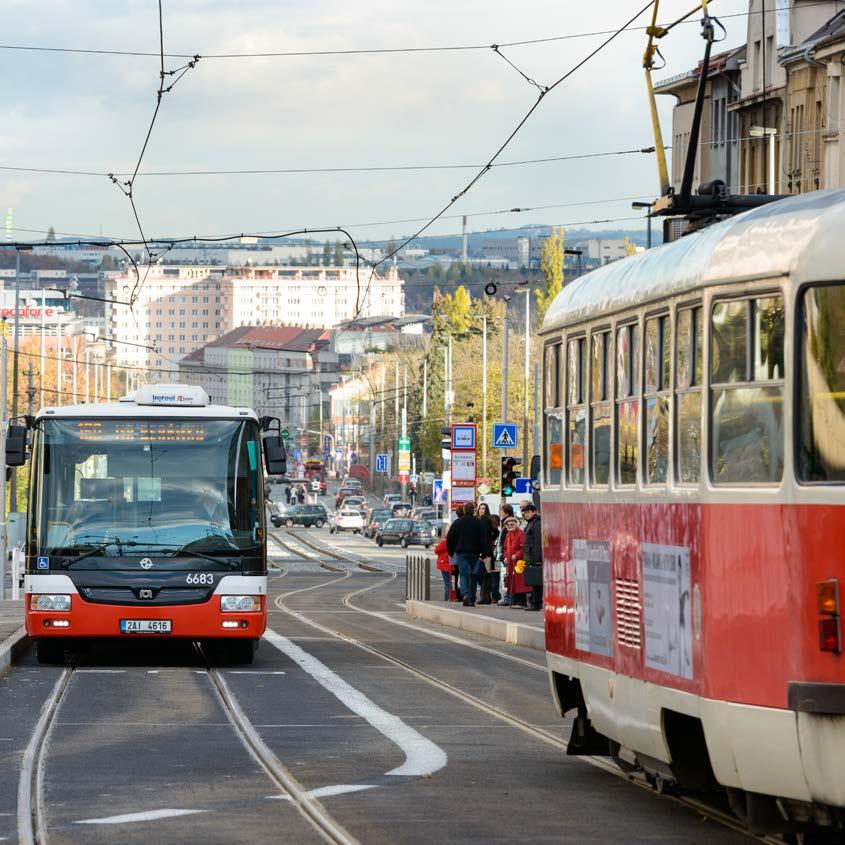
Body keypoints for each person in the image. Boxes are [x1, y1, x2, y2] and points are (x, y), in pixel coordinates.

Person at [445, 501, 486, 607]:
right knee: (473, 574)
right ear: (473, 511)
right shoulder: (478, 523)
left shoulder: (457, 522)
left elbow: (449, 538)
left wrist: (451, 551)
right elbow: (483, 539)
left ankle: (466, 595)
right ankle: (472, 597)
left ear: (464, 510)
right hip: (475, 553)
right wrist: (483, 553)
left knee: (463, 574)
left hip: (461, 552)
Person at [502, 514, 529, 607]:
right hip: (510, 562)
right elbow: (505, 548)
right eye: (508, 525)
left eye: (512, 524)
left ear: (516, 524)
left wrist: (516, 555)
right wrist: (505, 556)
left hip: (519, 562)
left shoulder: (521, 534)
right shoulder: (508, 535)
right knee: (512, 581)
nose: (510, 526)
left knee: (519, 582)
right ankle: (516, 601)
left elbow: (523, 548)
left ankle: (521, 602)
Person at [521, 501, 543, 611]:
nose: (526, 514)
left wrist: (538, 558)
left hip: (535, 556)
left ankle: (536, 603)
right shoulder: (530, 523)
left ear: (534, 512)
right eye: (525, 512)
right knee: (534, 582)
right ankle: (534, 602)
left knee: (536, 582)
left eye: (528, 512)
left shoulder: (537, 523)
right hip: (530, 555)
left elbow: (538, 542)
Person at [475, 502, 498, 605]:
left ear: (486, 510)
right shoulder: (487, 520)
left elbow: (483, 537)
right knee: (486, 575)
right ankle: (486, 596)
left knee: (485, 575)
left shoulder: (484, 520)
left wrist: (482, 552)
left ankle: (485, 597)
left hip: (485, 552)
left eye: (483, 509)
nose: (481, 510)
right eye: (480, 508)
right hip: (487, 551)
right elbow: (495, 532)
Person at [496, 504, 515, 605]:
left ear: (506, 512)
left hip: (507, 555)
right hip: (506, 555)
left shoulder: (508, 523)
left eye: (502, 511)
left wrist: (503, 555)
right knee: (507, 577)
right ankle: (508, 597)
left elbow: (506, 541)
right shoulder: (506, 523)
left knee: (507, 577)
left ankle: (508, 598)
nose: (500, 514)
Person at [433, 537, 451, 601]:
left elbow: (436, 550)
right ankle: (450, 598)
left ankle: (447, 599)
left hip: (444, 564)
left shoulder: (444, 542)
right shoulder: (455, 540)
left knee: (447, 584)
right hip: (452, 564)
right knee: (450, 583)